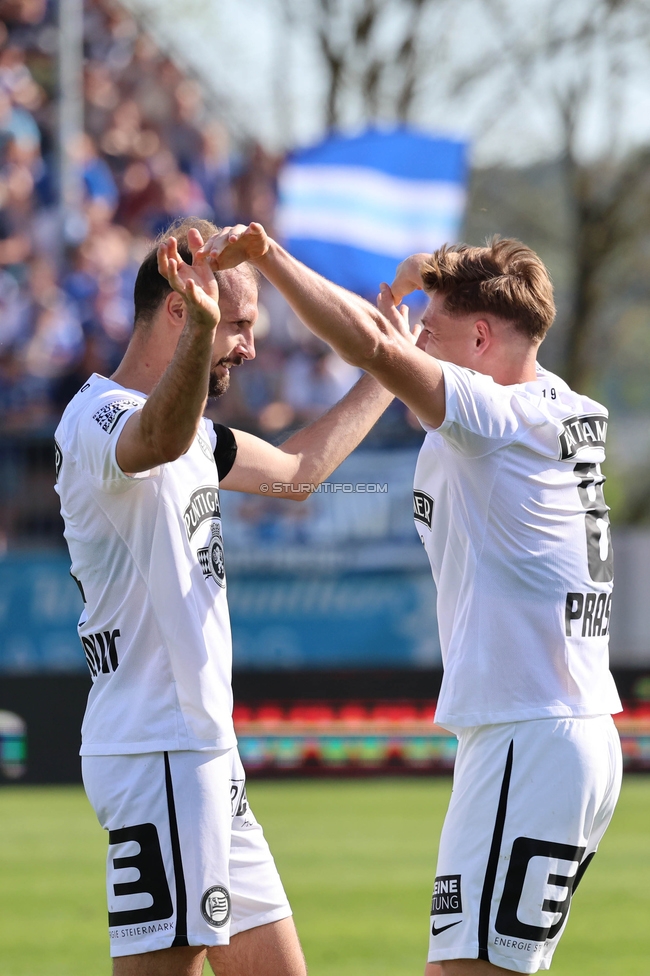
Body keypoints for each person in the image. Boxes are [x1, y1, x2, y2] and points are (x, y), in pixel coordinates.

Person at [202, 223, 623, 976]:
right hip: (550, 731)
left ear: (482, 339)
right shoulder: (561, 407)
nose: (416, 342)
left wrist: (269, 257)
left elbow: (372, 349)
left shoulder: (498, 417)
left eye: (432, 332)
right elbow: (402, 349)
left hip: (529, 734)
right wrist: (414, 287)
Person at [53, 215, 396, 976]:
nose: (247, 346)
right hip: (160, 751)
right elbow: (156, 440)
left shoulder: (200, 436)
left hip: (201, 752)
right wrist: (210, 328)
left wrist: (391, 368)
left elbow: (301, 472)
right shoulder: (97, 419)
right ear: (180, 306)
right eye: (235, 323)